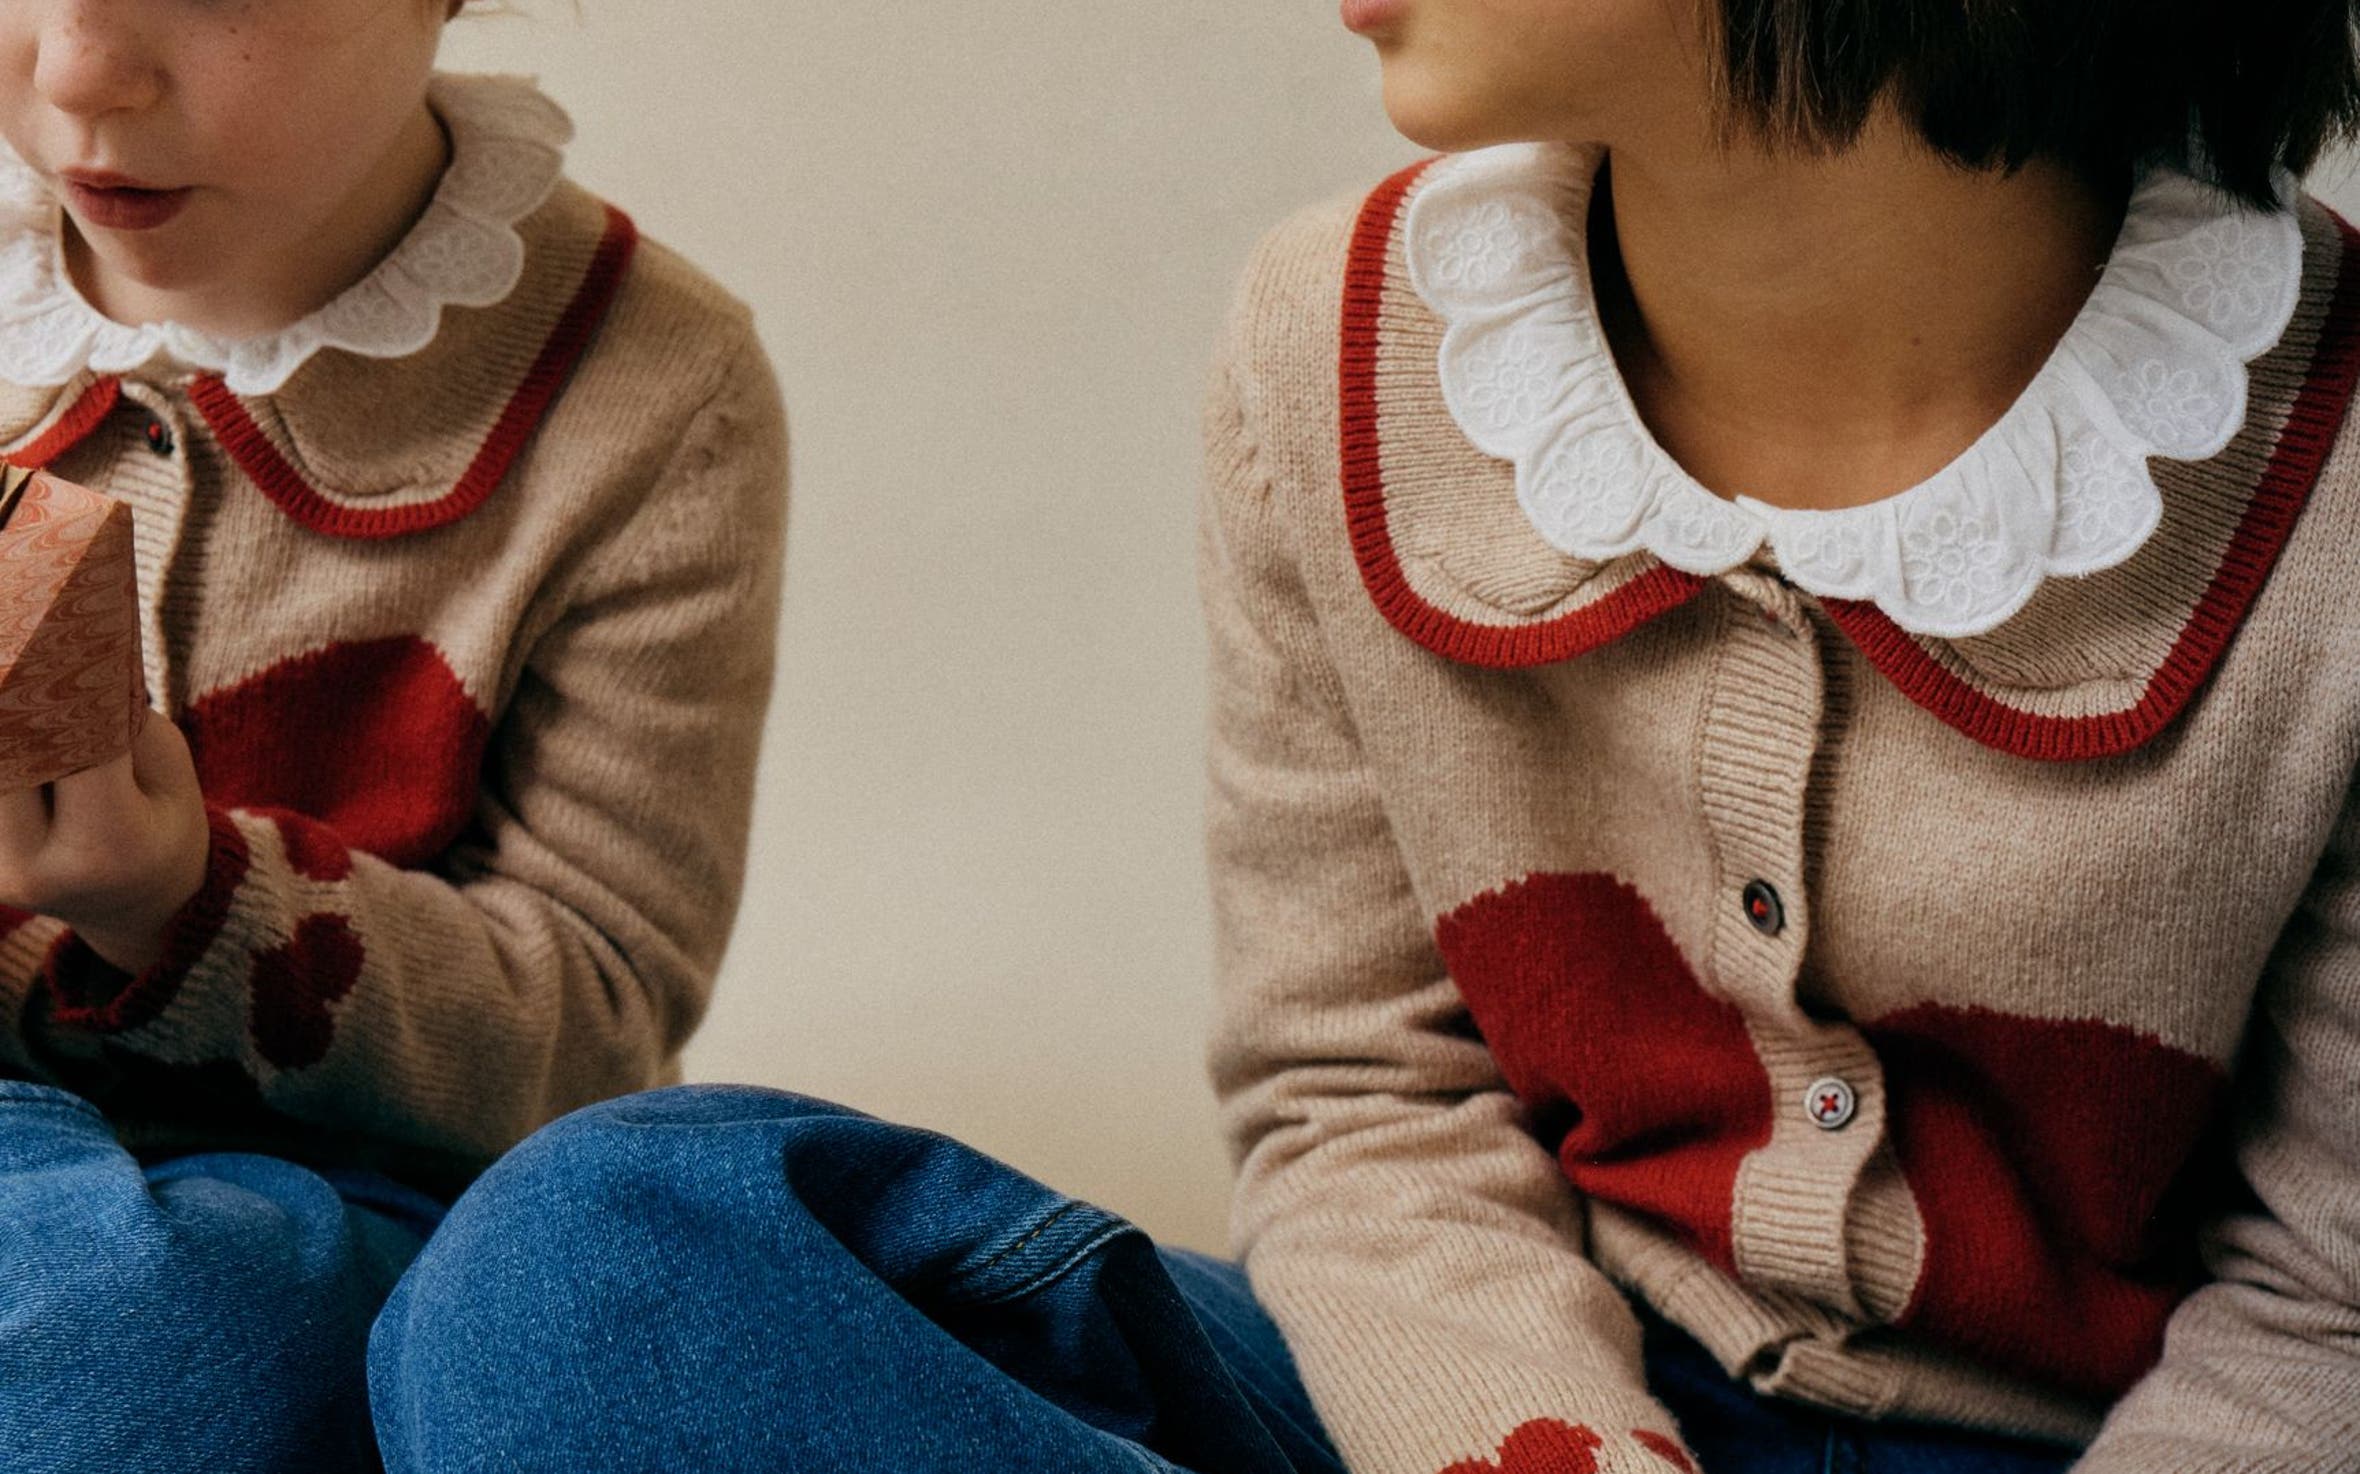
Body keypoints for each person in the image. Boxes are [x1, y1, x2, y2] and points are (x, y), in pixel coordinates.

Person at [378, 1, 2360, 1472]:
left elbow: (2328, 1310)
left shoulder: (2329, 467)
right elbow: (1356, 1090)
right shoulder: (1336, 343)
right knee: (575, 1266)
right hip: (1491, 1403)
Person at [0, 2, 785, 1471]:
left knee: (158, 1331)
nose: (79, 69)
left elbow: (594, 1040)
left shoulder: (650, 388)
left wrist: (188, 900)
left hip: (344, 1204)